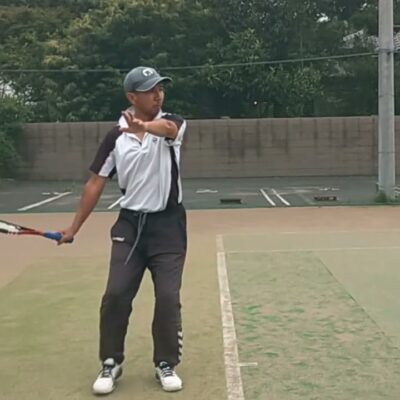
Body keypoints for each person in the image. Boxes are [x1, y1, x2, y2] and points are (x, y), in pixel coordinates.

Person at [58, 66, 188, 395]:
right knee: (116, 294)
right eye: (150, 90)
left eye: (160, 88)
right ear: (132, 96)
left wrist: (145, 126)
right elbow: (95, 182)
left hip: (168, 227)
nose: (158, 94)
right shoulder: (115, 137)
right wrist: (73, 228)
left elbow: (169, 129)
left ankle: (165, 363)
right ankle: (111, 362)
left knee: (168, 297)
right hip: (130, 226)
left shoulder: (172, 123)